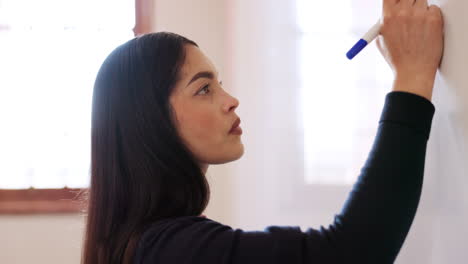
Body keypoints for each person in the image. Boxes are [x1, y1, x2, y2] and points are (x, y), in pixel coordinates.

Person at [81, 0, 444, 263]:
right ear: (150, 120)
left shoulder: (143, 242)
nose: (232, 100)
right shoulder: (170, 248)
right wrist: (412, 76)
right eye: (204, 89)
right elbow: (350, 252)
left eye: (219, 84)